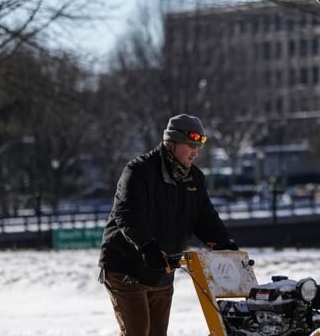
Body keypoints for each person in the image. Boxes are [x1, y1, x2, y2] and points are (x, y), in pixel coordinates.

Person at [98, 114, 238, 336]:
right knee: (137, 331)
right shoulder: (139, 171)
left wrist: (224, 243)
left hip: (161, 271)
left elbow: (205, 217)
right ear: (171, 143)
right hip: (127, 267)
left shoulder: (195, 179)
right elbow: (128, 214)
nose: (195, 152)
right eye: (190, 145)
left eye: (198, 146)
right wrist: (146, 246)